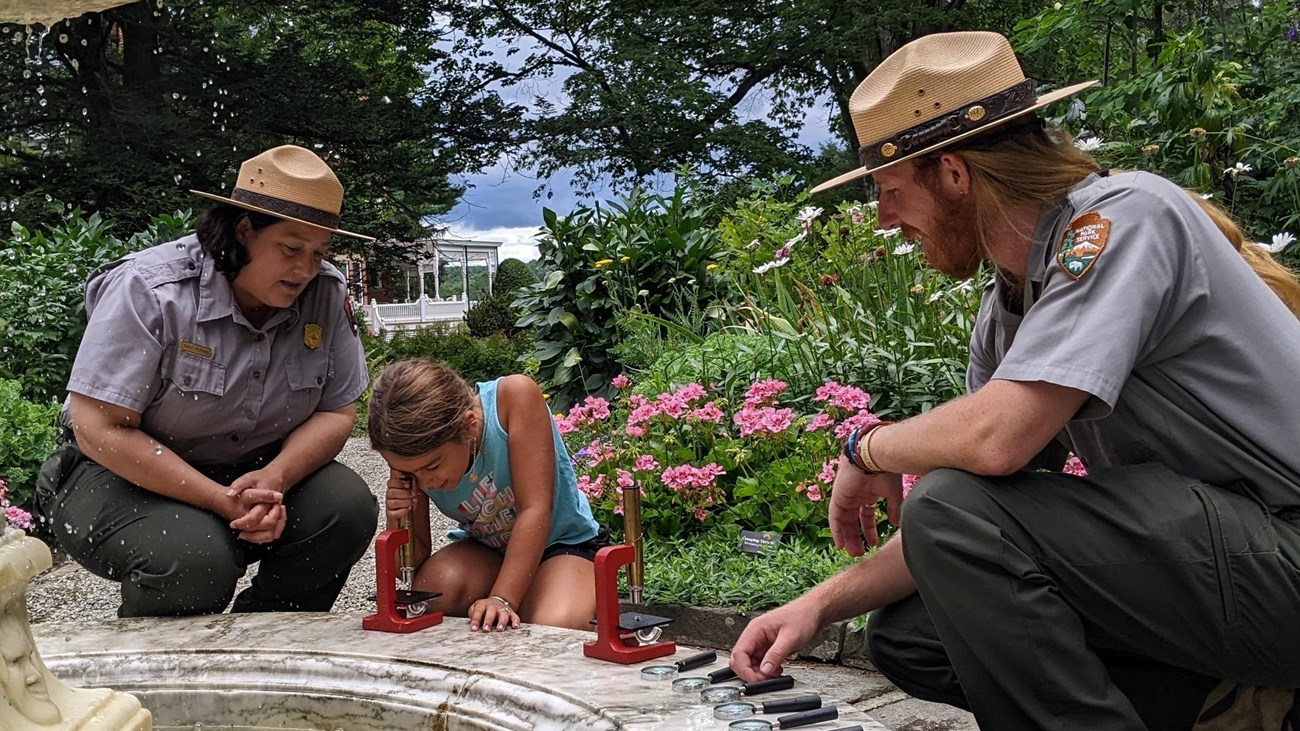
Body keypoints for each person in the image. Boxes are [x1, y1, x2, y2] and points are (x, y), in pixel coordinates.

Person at [729, 31, 1300, 731]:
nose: (882, 218)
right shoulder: (1012, 299)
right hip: (1233, 574)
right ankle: (1230, 704)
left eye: (889, 190)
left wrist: (864, 446)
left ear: (954, 173)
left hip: (1286, 556)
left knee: (947, 507)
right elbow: (981, 513)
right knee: (913, 634)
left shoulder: (1123, 219)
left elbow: (994, 447)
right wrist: (816, 605)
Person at [35, 144, 379, 617]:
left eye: (318, 252)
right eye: (290, 248)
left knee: (346, 508)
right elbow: (99, 428)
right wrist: (222, 501)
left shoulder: (326, 293)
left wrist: (275, 479)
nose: (305, 269)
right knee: (196, 556)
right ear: (243, 231)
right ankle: (157, 681)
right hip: (117, 474)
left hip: (251, 469)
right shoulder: (150, 289)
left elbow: (337, 411)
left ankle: (263, 641)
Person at [367, 359, 604, 633]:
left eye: (432, 466)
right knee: (432, 594)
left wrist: (502, 598)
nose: (424, 482)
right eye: (411, 473)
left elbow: (535, 510)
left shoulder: (513, 400)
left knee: (556, 627)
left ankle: (546, 594)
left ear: (467, 427)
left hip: (561, 545)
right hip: (488, 549)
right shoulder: (411, 455)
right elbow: (411, 564)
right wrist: (397, 516)